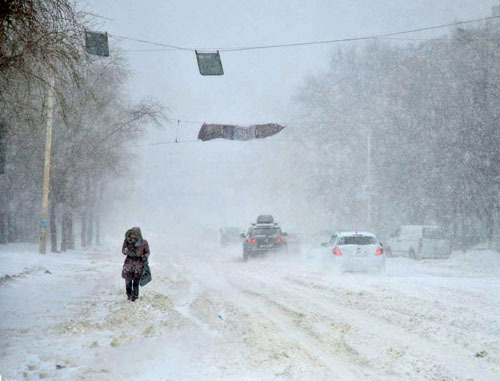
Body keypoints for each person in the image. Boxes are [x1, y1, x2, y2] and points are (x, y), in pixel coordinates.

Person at [121, 227, 150, 301]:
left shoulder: (144, 242)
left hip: (139, 264)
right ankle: (129, 295)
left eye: (134, 234)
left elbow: (147, 252)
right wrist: (126, 250)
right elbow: (123, 251)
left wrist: (145, 257)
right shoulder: (127, 241)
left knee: (136, 282)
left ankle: (135, 297)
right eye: (132, 234)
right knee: (128, 281)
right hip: (128, 263)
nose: (132, 235)